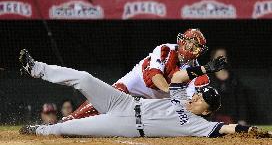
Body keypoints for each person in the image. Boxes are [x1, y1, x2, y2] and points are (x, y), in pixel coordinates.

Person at [19, 49, 258, 137]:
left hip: (126, 124)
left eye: (201, 98)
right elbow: (176, 78)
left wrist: (252, 131)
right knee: (83, 78)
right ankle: (36, 69)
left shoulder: (199, 126)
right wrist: (205, 68)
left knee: (65, 129)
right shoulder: (184, 97)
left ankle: (38, 130)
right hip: (124, 102)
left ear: (206, 110)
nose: (196, 96)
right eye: (199, 93)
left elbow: (227, 128)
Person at [62, 28, 210, 121]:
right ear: (182, 40)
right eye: (189, 42)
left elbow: (190, 99)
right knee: (110, 95)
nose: (191, 47)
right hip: (140, 81)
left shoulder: (197, 72)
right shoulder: (165, 49)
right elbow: (155, 75)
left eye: (196, 46)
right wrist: (172, 92)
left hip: (165, 96)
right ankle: (71, 119)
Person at [208, 48, 249, 125]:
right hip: (212, 120)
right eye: (219, 56)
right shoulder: (207, 78)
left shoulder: (234, 78)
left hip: (232, 119)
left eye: (224, 56)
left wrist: (242, 119)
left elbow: (241, 101)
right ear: (213, 58)